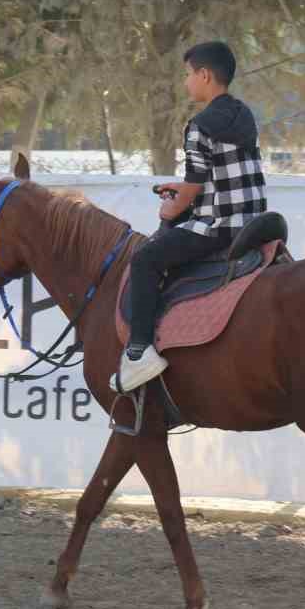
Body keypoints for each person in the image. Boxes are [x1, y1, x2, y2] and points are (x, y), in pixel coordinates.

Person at [117, 41, 268, 393]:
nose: (186, 83)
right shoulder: (243, 114)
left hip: (219, 228)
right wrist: (184, 188)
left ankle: (139, 352)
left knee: (144, 259)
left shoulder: (199, 126)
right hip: (253, 220)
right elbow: (216, 174)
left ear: (205, 75)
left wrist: (173, 206)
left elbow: (195, 185)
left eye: (188, 75)